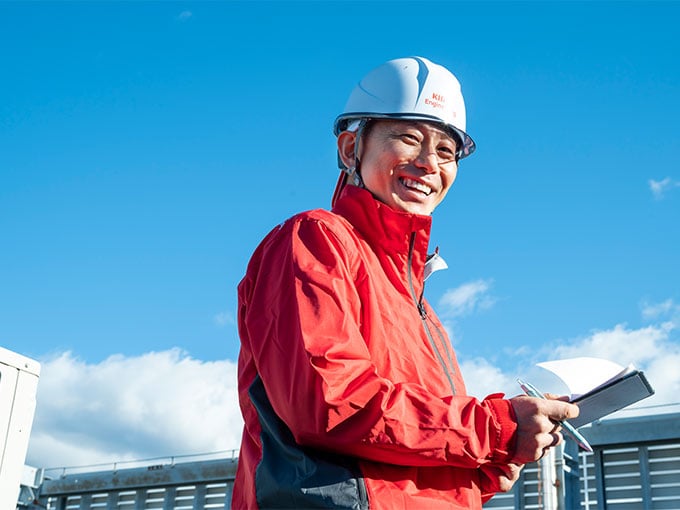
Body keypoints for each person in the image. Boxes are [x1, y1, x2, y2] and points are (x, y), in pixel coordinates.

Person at [233, 56, 579, 510]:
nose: (428, 163)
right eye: (408, 139)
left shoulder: (419, 305)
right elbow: (330, 406)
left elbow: (413, 455)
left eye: (446, 152)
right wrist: (493, 426)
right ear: (349, 148)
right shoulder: (316, 240)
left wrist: (499, 457)